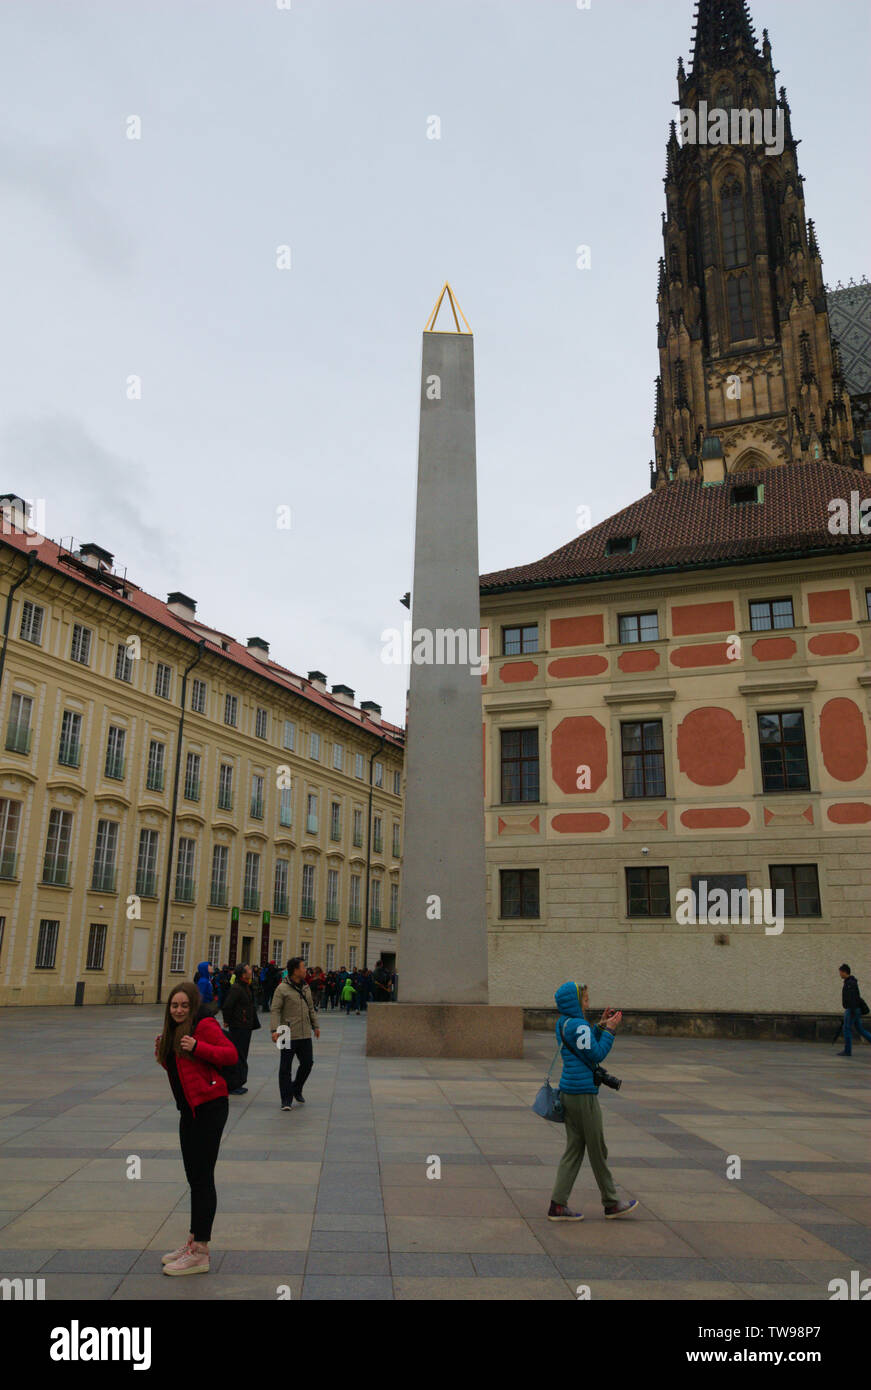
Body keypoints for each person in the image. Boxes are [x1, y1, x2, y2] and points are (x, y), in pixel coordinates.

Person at [154, 980, 237, 1275]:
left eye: (184, 1005)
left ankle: (200, 1251)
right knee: (194, 1178)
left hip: (210, 1109)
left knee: (203, 1178)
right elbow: (186, 1072)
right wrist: (165, 1057)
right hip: (189, 1112)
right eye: (174, 1005)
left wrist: (198, 1046)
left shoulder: (203, 1025)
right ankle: (193, 1240)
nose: (178, 1010)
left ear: (193, 1005)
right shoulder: (174, 1031)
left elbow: (230, 1055)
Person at [548, 980, 638, 1222]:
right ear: (575, 1001)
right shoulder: (578, 1025)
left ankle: (558, 1205)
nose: (588, 1002)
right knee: (597, 1149)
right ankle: (611, 1202)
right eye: (585, 999)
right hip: (583, 1095)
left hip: (568, 1092)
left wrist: (598, 1026)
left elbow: (583, 1047)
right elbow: (596, 1053)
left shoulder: (564, 1023)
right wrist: (610, 1030)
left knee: (574, 1149)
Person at [270, 957, 320, 1110]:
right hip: (286, 1032)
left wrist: (315, 1026)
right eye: (303, 967)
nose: (306, 970)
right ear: (295, 970)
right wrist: (274, 1030)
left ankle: (296, 1088)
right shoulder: (282, 988)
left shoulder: (306, 987)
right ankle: (286, 1099)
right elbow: (275, 1010)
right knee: (285, 1067)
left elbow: (311, 1008)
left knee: (307, 1063)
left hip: (304, 1032)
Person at [222, 963, 259, 1094]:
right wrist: (227, 1020)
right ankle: (234, 1084)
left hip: (245, 1025)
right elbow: (227, 1006)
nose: (251, 970)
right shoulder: (237, 988)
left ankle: (239, 1082)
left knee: (242, 1054)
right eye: (248, 969)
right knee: (239, 1055)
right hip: (239, 1026)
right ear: (243, 974)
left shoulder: (245, 986)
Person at [837, 963, 871, 1057]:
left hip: (852, 1009)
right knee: (860, 1029)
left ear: (844, 972)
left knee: (846, 1029)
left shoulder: (850, 983)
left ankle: (847, 1051)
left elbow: (852, 998)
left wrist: (851, 1010)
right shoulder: (851, 982)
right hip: (855, 1009)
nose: (839, 974)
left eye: (840, 972)